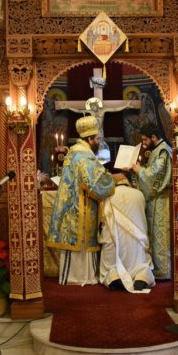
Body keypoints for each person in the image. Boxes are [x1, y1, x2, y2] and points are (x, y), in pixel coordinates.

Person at [47, 115, 116, 286]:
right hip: (80, 208)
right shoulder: (85, 156)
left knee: (75, 241)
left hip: (71, 207)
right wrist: (114, 179)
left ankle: (73, 276)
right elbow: (94, 184)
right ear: (90, 139)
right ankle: (81, 277)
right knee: (80, 240)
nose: (98, 142)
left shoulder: (74, 152)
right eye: (97, 139)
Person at [126, 124, 172, 280]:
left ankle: (163, 270)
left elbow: (156, 176)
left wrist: (140, 170)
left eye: (145, 140)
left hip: (162, 200)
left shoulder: (164, 151)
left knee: (161, 235)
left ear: (153, 137)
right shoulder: (156, 150)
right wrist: (136, 170)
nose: (144, 144)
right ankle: (156, 269)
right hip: (155, 201)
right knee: (154, 234)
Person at [98, 178, 155, 293]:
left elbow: (101, 222)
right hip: (136, 244)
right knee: (142, 263)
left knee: (109, 264)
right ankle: (141, 277)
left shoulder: (107, 196)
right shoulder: (139, 194)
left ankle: (114, 277)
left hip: (114, 244)